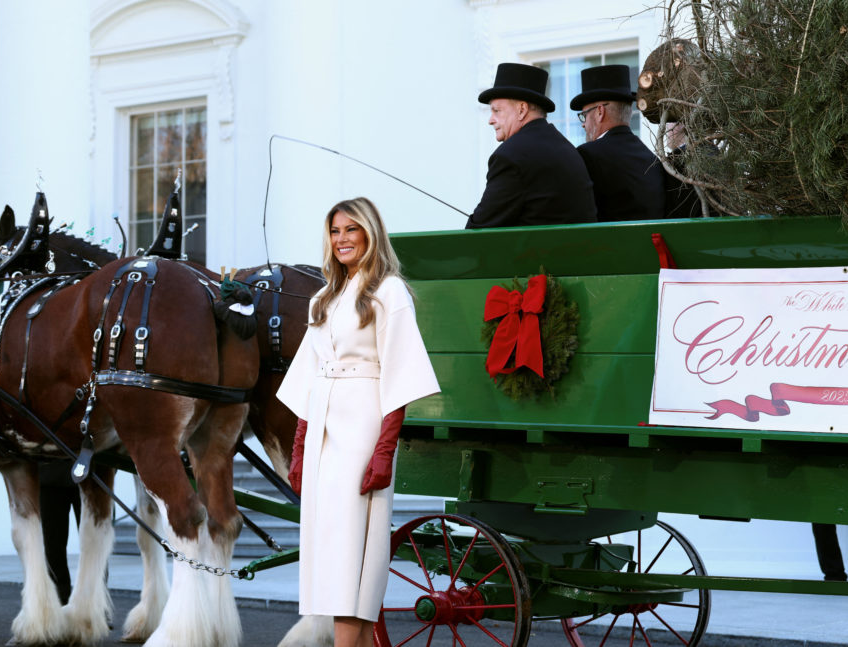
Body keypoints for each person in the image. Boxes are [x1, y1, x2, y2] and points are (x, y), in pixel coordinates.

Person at [277, 197, 440, 647]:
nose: (342, 239)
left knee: (352, 556)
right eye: (335, 231)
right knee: (330, 552)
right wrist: (299, 450)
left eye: (351, 229)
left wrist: (384, 451)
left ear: (370, 233)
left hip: (363, 426)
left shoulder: (389, 291)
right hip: (323, 427)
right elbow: (308, 378)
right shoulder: (323, 299)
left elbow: (400, 375)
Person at [466, 62, 596, 229]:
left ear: (522, 110)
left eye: (496, 111)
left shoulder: (510, 157)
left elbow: (479, 230)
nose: (491, 120)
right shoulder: (568, 149)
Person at [570, 64, 665, 222]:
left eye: (584, 115)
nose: (583, 124)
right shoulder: (651, 158)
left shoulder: (588, 155)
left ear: (600, 112)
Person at [39, 459, 82, 605]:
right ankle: (58, 601)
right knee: (52, 546)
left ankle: (95, 603)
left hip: (90, 472)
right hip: (49, 475)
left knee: (95, 546)